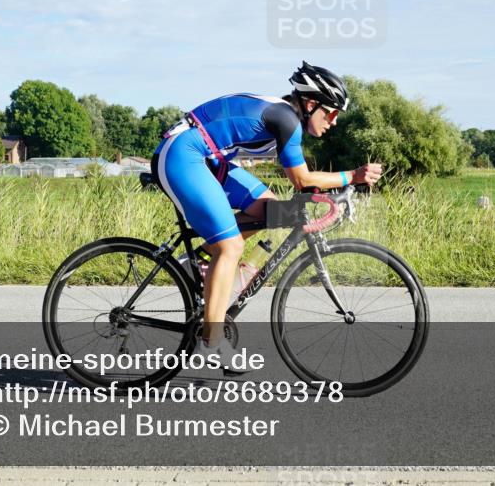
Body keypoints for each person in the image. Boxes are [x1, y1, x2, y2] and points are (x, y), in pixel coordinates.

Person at [150, 62, 382, 372]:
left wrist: (334, 191)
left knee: (275, 211)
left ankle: (198, 263)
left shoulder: (285, 116)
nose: (334, 122)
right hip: (183, 155)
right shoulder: (286, 119)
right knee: (231, 247)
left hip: (209, 159)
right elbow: (301, 180)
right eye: (331, 112)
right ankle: (210, 343)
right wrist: (351, 176)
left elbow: (303, 185)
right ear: (311, 104)